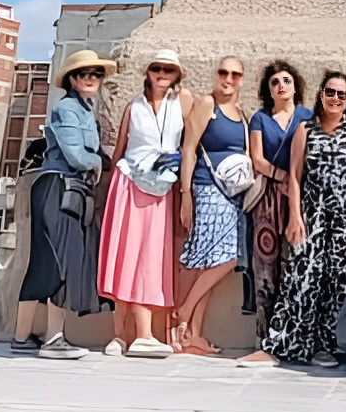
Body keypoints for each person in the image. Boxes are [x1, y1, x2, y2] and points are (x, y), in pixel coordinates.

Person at [11, 50, 111, 358]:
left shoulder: (84, 108)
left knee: (45, 264)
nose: (92, 79)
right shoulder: (67, 108)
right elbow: (76, 156)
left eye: (97, 74)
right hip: (59, 187)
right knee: (59, 263)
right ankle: (54, 339)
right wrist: (100, 162)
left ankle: (21, 337)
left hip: (66, 190)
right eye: (85, 74)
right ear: (72, 79)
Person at [263, 70, 346, 367]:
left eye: (342, 94)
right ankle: (292, 343)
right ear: (322, 94)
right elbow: (294, 177)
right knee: (304, 276)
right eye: (330, 92)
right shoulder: (305, 129)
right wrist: (295, 216)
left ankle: (327, 347)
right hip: (313, 216)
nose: (335, 98)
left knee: (339, 280)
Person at [97, 49, 193, 358]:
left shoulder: (183, 103)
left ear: (177, 74)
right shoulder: (133, 107)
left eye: (169, 69)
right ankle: (119, 336)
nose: (163, 73)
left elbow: (189, 146)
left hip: (163, 188)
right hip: (129, 184)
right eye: (157, 68)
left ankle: (145, 334)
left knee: (150, 259)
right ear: (148, 71)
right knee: (124, 256)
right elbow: (121, 148)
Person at [176, 57, 250, 355]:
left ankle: (192, 334)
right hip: (207, 190)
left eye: (235, 74)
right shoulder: (207, 104)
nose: (228, 78)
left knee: (210, 262)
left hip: (232, 195)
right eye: (223, 72)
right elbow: (189, 149)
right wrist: (185, 194)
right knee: (227, 258)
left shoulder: (242, 115)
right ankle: (183, 311)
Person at [242, 60, 313, 353]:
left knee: (297, 263)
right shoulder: (260, 119)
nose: (281, 85)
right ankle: (265, 339)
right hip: (269, 197)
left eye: (286, 80)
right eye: (274, 82)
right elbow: (257, 159)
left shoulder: (308, 116)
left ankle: (295, 337)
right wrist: (282, 176)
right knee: (265, 266)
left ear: (296, 85)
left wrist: (296, 181)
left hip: (300, 198)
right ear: (268, 90)